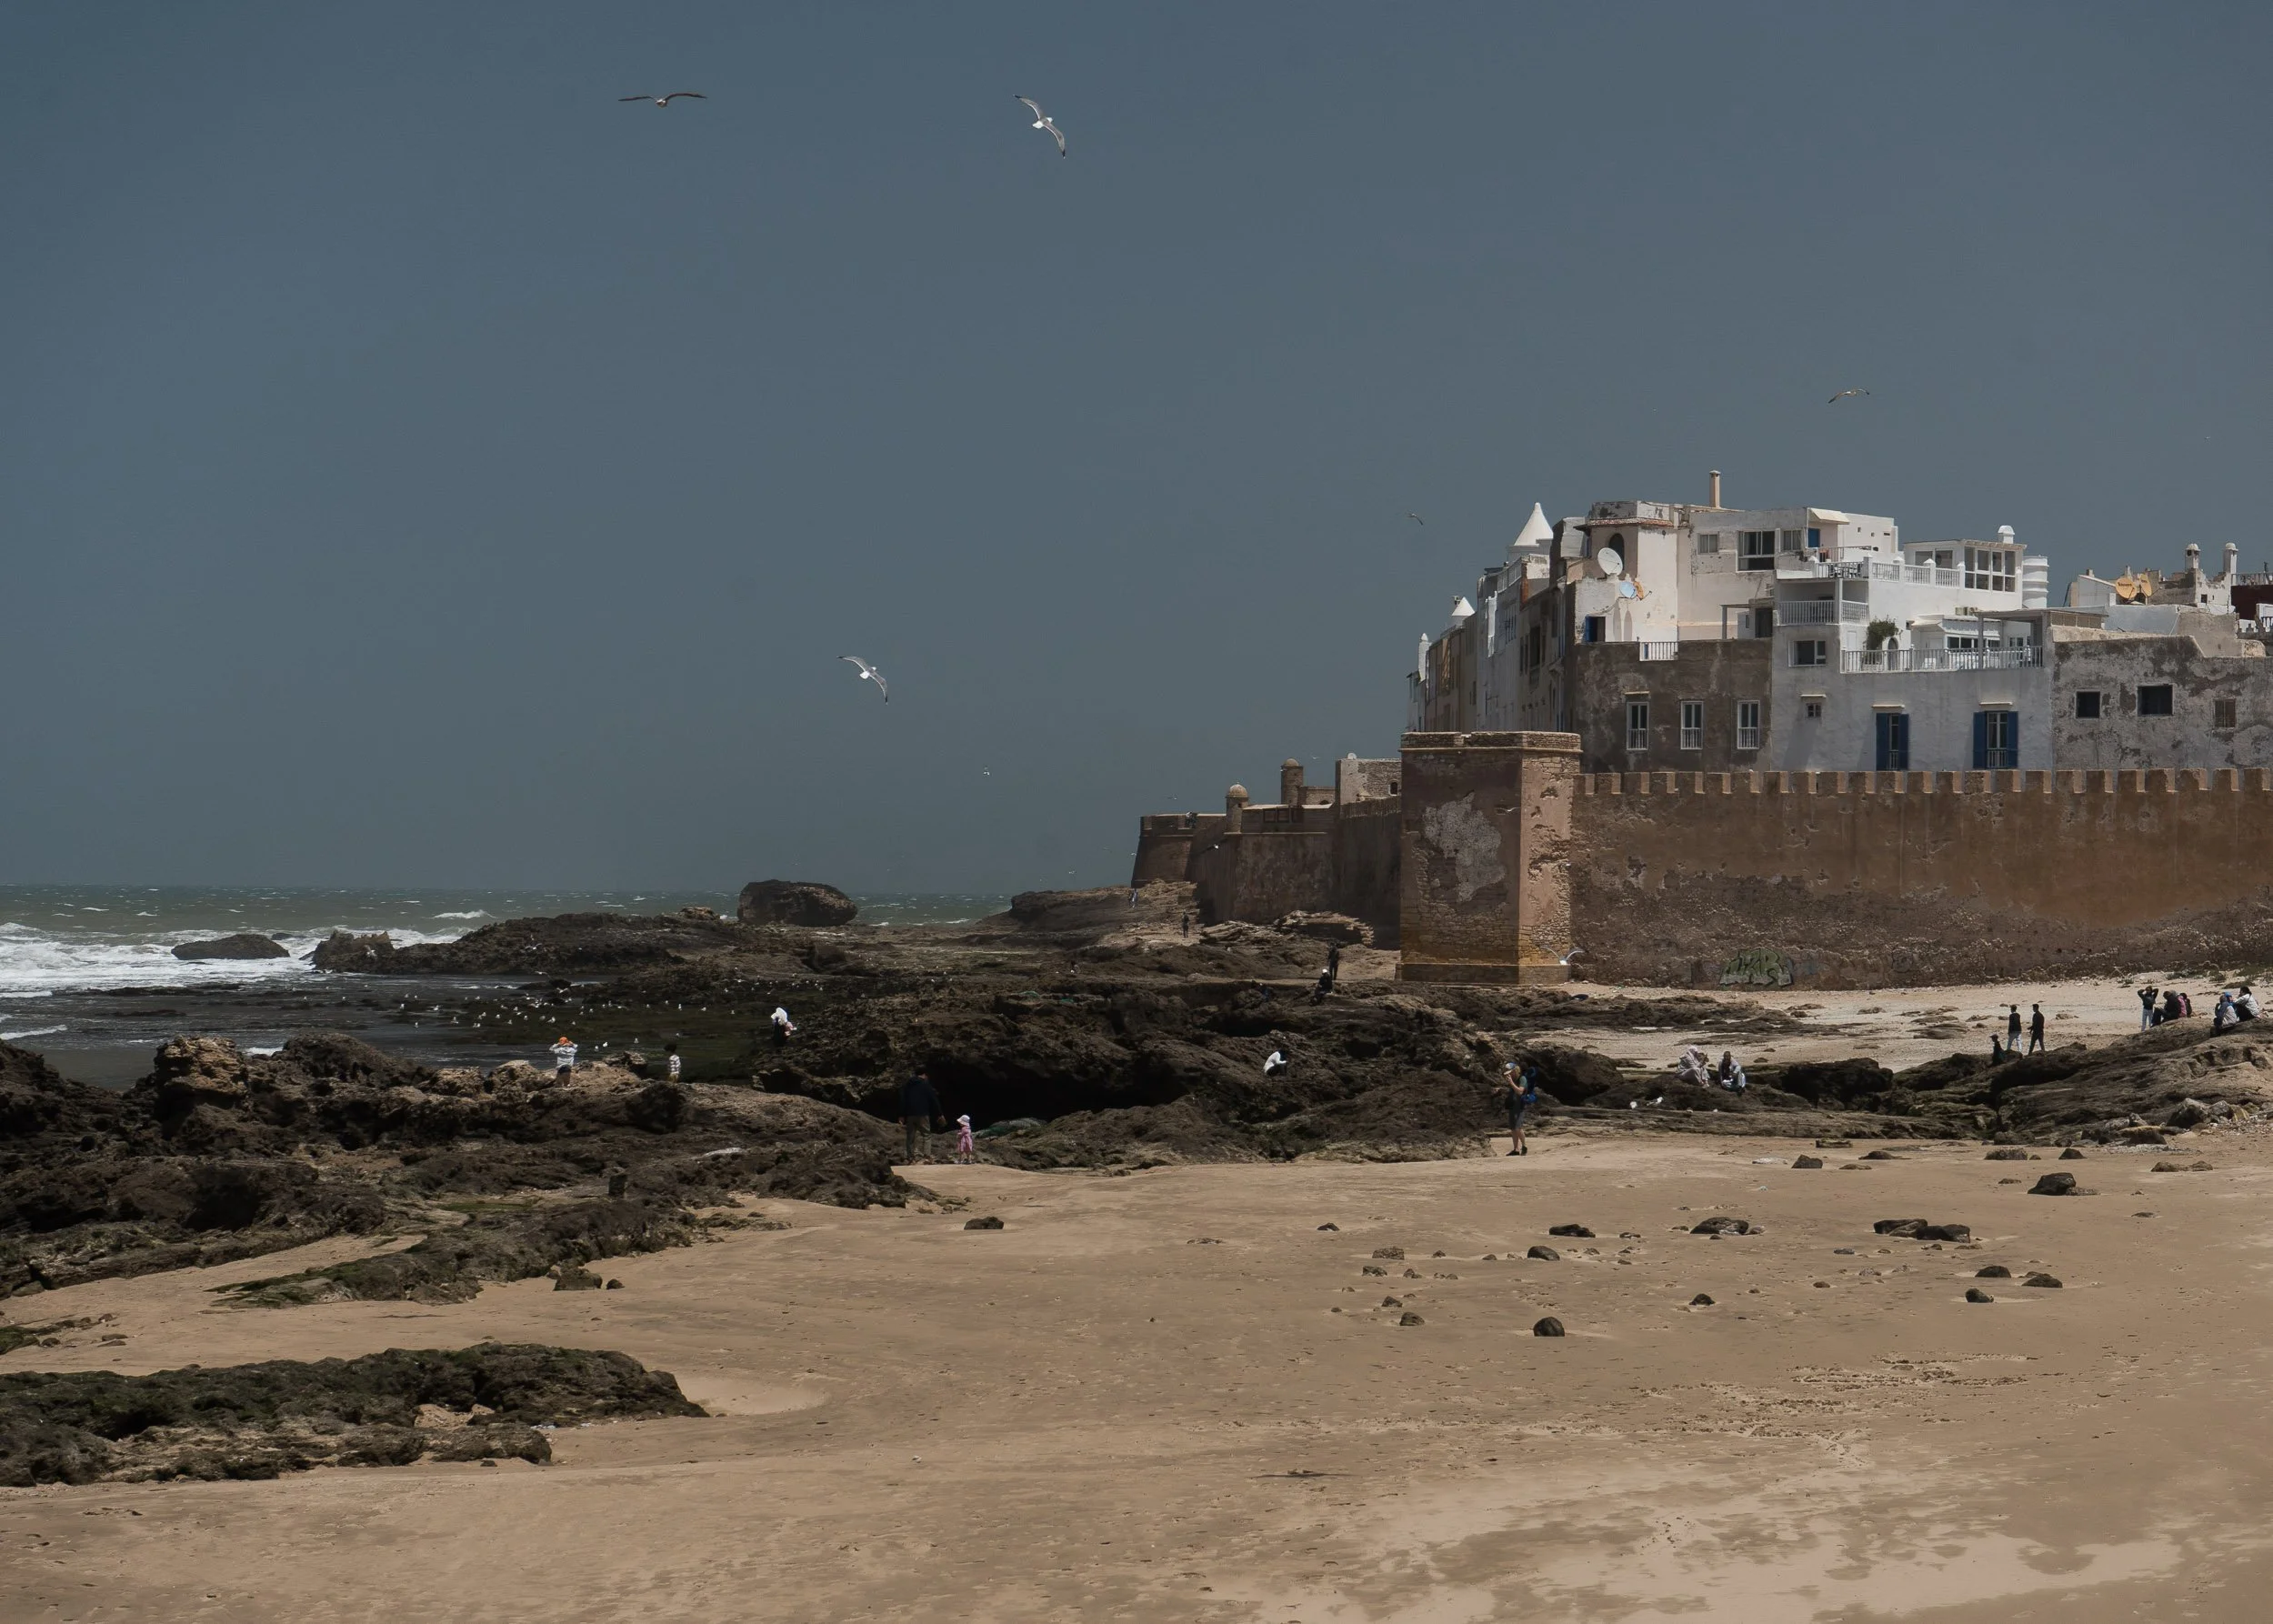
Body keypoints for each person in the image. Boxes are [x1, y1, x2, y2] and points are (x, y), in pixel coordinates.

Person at [901, 1069, 942, 1161]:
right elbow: (933, 1100)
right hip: (923, 1113)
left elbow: (903, 1100)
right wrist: (939, 1113)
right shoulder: (926, 1085)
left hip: (910, 1114)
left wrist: (901, 1115)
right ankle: (927, 1157)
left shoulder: (908, 1085)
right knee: (927, 1135)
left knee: (910, 1136)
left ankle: (911, 1158)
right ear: (924, 1075)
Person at [1500, 1062, 1539, 1156]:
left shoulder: (1522, 1078)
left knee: (1518, 1127)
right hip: (1512, 1106)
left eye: (1510, 1072)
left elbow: (1520, 1092)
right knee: (1513, 1129)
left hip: (1520, 1106)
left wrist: (1511, 1083)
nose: (1508, 1074)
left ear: (1515, 1070)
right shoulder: (1512, 1079)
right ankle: (1516, 1149)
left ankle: (1524, 1146)